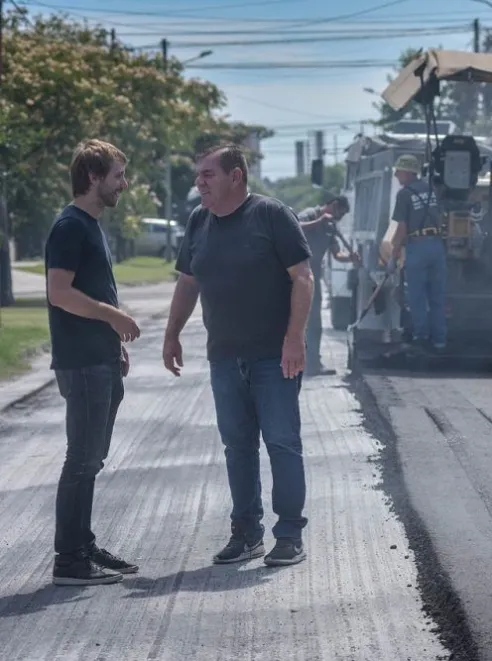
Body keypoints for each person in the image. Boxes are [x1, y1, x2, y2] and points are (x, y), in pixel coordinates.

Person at [163, 143, 314, 567]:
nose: (199, 183)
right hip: (224, 357)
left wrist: (295, 338)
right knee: (237, 447)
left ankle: (289, 535)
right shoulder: (199, 221)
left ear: (236, 176)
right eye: (198, 175)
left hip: (273, 357)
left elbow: (303, 278)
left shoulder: (271, 215)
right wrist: (172, 334)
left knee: (282, 443)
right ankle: (247, 534)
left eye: (208, 174)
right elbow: (187, 283)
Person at [45, 139, 141, 586]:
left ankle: (82, 545)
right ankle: (70, 561)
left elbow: (90, 289)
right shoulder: (70, 226)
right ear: (93, 177)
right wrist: (113, 316)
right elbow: (59, 293)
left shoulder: (90, 225)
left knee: (91, 459)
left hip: (99, 357)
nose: (125, 184)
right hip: (81, 363)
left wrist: (113, 340)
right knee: (81, 459)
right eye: (118, 175)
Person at [387, 154, 446, 351]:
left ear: (408, 172)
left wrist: (393, 257)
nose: (396, 175)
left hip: (418, 247)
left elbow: (401, 229)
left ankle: (421, 337)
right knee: (437, 296)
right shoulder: (432, 189)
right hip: (437, 246)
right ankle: (440, 340)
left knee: (417, 296)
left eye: (398, 171)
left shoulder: (404, 195)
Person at [296, 195, 360, 375]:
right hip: (295, 273)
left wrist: (350, 257)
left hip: (313, 276)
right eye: (340, 213)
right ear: (333, 205)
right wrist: (319, 221)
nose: (339, 218)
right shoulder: (310, 214)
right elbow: (294, 228)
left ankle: (313, 363)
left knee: (314, 322)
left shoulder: (331, 228)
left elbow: (337, 254)